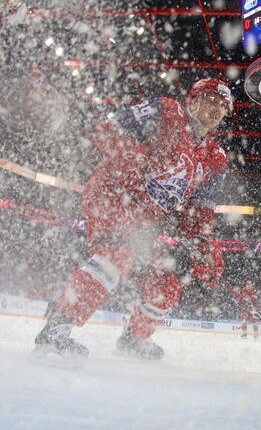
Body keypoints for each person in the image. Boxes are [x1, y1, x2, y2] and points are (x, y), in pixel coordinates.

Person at [33, 78, 233, 361]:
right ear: (192, 100)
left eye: (222, 105)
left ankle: (133, 339)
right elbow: (106, 130)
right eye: (210, 100)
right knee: (117, 256)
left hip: (145, 221)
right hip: (114, 194)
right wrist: (134, 161)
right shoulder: (166, 110)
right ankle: (54, 333)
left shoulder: (216, 159)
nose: (216, 109)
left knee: (166, 280)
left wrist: (202, 245)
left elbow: (199, 212)